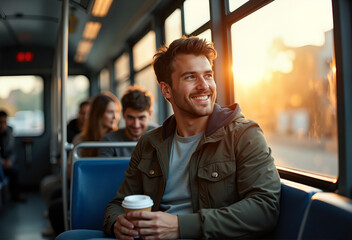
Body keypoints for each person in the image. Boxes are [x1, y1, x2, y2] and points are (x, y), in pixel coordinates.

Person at [103, 36, 281, 239]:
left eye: (208, 75)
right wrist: (118, 223)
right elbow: (118, 203)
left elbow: (265, 208)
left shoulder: (244, 135)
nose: (204, 85)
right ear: (166, 90)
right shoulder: (149, 143)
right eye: (190, 77)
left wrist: (180, 226)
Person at [48, 92, 121, 236]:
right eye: (110, 112)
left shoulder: (120, 138)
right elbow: (70, 173)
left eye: (117, 112)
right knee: (56, 206)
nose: (115, 117)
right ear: (98, 115)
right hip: (87, 188)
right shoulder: (81, 140)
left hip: (114, 187)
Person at [41, 100, 91, 236]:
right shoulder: (71, 131)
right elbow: (61, 156)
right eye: (83, 113)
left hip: (84, 178)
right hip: (70, 170)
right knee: (48, 186)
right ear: (79, 114)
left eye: (89, 113)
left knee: (57, 198)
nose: (85, 117)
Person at [99, 85, 155, 157]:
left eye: (141, 118)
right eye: (131, 117)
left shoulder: (160, 136)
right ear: (123, 114)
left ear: (150, 114)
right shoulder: (109, 141)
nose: (136, 125)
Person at [0, 110, 26, 202]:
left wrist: (10, 161)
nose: (2, 125)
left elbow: (12, 151)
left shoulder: (9, 132)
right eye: (0, 122)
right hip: (1, 162)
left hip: (7, 161)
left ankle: (15, 195)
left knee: (14, 169)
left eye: (4, 122)